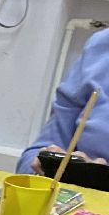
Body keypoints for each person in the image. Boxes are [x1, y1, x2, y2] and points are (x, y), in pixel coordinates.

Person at [19, 27, 109, 174]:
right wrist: (45, 166)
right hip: (73, 194)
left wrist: (100, 179)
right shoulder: (100, 47)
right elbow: (35, 154)